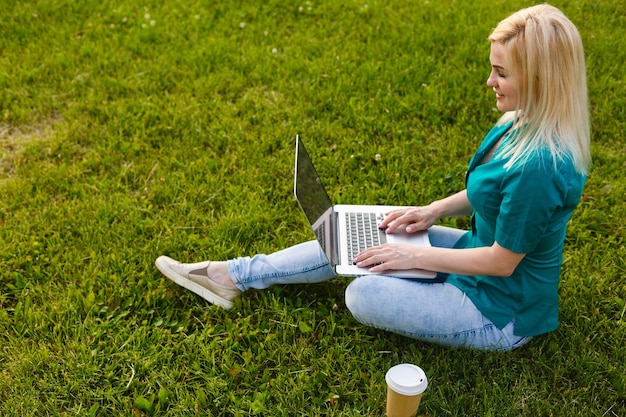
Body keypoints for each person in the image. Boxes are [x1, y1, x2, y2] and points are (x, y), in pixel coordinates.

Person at [156, 4, 590, 351]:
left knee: (362, 294)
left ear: (539, 79)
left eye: (501, 72)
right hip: (475, 260)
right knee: (361, 235)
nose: (489, 81)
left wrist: (415, 259)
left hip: (498, 310)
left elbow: (501, 261)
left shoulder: (541, 167)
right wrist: (434, 211)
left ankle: (238, 276)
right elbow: (490, 193)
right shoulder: (521, 120)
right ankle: (230, 276)